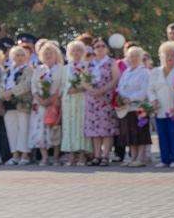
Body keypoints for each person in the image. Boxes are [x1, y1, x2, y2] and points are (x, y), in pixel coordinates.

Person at [83, 37, 120, 167]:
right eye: (97, 46)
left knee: (106, 128)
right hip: (92, 99)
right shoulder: (89, 63)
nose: (100, 48)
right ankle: (96, 155)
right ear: (93, 49)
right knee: (95, 129)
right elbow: (84, 80)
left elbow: (115, 79)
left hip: (106, 98)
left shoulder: (111, 62)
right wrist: (91, 89)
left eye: (103, 46)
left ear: (107, 48)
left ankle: (105, 156)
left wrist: (102, 90)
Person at [115, 46, 152, 167]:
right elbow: (120, 87)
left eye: (136, 56)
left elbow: (145, 90)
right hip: (126, 108)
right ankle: (133, 157)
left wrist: (130, 98)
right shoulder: (126, 72)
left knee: (140, 134)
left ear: (141, 58)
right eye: (131, 56)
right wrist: (119, 98)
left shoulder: (144, 72)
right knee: (130, 134)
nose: (134, 59)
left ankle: (140, 158)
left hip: (139, 108)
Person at [29, 42, 64, 165]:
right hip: (39, 104)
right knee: (40, 130)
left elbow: (62, 86)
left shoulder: (61, 69)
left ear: (56, 55)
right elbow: (33, 84)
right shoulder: (39, 69)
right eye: (46, 54)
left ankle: (56, 156)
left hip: (55, 103)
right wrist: (38, 97)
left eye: (51, 53)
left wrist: (52, 98)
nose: (48, 56)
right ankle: (44, 157)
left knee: (55, 129)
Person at [0, 45, 34, 165]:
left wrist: (12, 92)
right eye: (17, 55)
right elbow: (0, 85)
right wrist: (3, 94)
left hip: (22, 103)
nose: (20, 58)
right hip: (8, 104)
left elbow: (27, 84)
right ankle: (14, 154)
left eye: (22, 55)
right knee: (11, 129)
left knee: (24, 129)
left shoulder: (28, 69)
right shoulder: (6, 71)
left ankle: (24, 154)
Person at [149, 41, 174, 168]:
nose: (170, 57)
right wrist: (153, 100)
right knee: (162, 135)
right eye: (167, 54)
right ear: (161, 56)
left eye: (172, 55)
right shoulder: (155, 72)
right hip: (160, 107)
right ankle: (164, 159)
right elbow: (150, 89)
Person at [61, 40, 92, 166]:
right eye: (73, 50)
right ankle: (72, 155)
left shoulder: (86, 66)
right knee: (69, 127)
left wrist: (79, 89)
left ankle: (82, 155)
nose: (76, 53)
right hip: (68, 101)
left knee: (81, 125)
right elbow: (63, 85)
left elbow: (89, 84)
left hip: (81, 99)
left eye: (78, 50)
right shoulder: (66, 68)